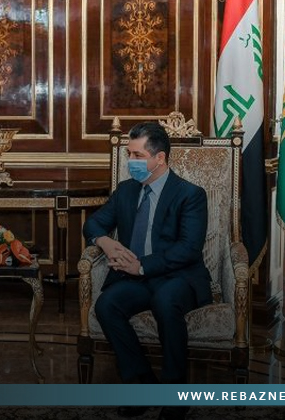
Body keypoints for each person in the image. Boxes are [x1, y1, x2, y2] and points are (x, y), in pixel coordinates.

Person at [83, 122, 210, 420]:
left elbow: (188, 249)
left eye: (137, 156)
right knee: (107, 305)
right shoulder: (126, 191)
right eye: (129, 154)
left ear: (160, 158)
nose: (131, 161)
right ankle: (142, 384)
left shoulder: (190, 194)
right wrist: (105, 242)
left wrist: (142, 266)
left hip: (178, 276)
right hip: (136, 277)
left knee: (165, 301)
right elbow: (93, 223)